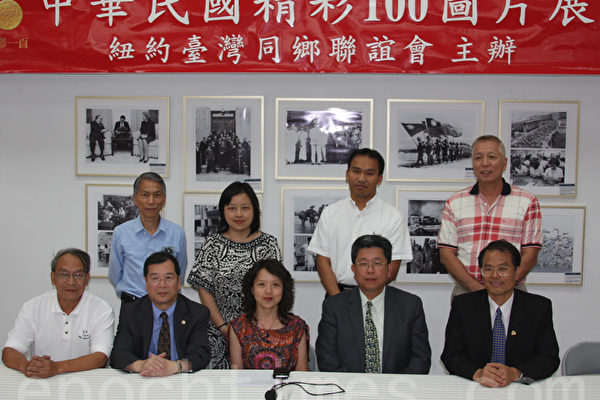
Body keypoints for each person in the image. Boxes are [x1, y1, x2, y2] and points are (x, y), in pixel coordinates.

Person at [186, 181, 282, 369]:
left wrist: (254, 329)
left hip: (260, 332)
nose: (239, 214)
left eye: (245, 208)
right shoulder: (212, 244)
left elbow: (274, 289)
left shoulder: (268, 244)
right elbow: (204, 289)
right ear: (223, 211)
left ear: (254, 210)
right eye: (232, 208)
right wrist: (223, 327)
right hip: (218, 332)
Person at [441, 240, 559, 387]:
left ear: (516, 271)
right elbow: (451, 355)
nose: (495, 275)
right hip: (476, 387)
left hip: (520, 388)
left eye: (503, 269)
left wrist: (515, 373)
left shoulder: (538, 307)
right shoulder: (463, 305)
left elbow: (549, 358)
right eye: (488, 269)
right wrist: (478, 373)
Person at [437, 135, 542, 297]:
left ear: (505, 163)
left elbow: (530, 254)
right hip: (466, 292)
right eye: (478, 158)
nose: (485, 163)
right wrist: (476, 289)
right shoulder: (455, 202)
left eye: (492, 157)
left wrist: (502, 287)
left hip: (512, 291)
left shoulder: (527, 201)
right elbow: (446, 254)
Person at [316, 235, 431, 373]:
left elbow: (420, 359)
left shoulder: (410, 306)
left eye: (377, 263)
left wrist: (396, 385)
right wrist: (353, 385)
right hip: (348, 385)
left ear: (389, 268)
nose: (370, 270)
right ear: (353, 269)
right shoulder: (334, 307)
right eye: (363, 263)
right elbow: (327, 358)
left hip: (398, 385)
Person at [308, 148, 412, 296]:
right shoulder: (330, 213)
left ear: (379, 179)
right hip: (336, 294)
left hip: (376, 297)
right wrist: (337, 300)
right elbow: (322, 262)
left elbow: (392, 268)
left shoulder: (393, 217)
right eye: (356, 171)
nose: (361, 178)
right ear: (347, 175)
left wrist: (363, 300)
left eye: (369, 173)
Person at [2, 249, 114, 378]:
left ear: (87, 279)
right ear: (53, 278)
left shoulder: (101, 309)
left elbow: (100, 357)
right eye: (64, 274)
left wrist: (57, 367)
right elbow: (10, 350)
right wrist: (28, 367)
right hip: (42, 381)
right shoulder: (33, 307)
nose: (71, 282)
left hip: (85, 381)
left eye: (78, 275)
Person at [110, 252, 210, 376]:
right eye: (155, 279)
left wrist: (176, 366)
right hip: (142, 377)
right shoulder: (131, 312)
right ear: (146, 283)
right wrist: (141, 365)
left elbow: (201, 355)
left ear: (178, 282)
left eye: (168, 278)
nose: (162, 285)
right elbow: (119, 354)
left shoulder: (197, 313)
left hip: (181, 378)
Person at [109, 172, 187, 305]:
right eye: (145, 195)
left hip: (167, 305)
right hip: (132, 304)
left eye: (156, 195)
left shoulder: (177, 233)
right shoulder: (121, 232)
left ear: (164, 199)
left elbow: (180, 272)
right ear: (135, 199)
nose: (151, 201)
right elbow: (114, 275)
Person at [229, 259, 309, 370]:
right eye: (261, 284)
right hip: (248, 382)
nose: (268, 291)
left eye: (275, 285)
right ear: (252, 289)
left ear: (284, 289)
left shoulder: (297, 327)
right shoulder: (238, 327)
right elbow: (236, 374)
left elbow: (302, 375)